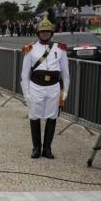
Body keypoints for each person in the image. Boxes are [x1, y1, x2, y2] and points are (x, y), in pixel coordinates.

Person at [20, 14, 69, 159]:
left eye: (47, 32)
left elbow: (66, 73)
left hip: (53, 87)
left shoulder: (60, 49)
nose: (45, 34)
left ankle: (47, 148)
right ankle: (36, 147)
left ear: (51, 33)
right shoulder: (30, 49)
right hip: (36, 86)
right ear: (38, 33)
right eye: (42, 32)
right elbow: (24, 75)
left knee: (52, 117)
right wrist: (26, 94)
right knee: (35, 116)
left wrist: (65, 90)